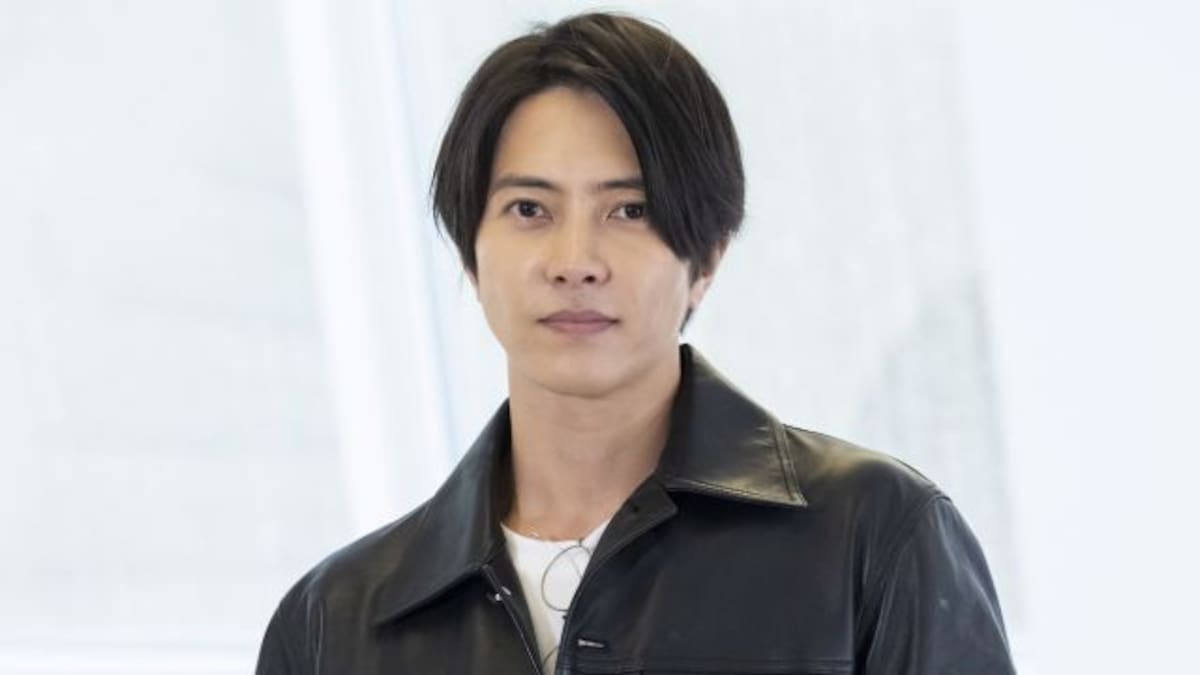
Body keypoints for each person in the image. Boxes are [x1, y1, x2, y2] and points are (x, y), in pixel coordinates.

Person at [256, 11, 1015, 674]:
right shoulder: (336, 620)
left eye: (629, 210)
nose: (575, 261)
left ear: (706, 258)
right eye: (529, 209)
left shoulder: (874, 535)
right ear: (469, 255)